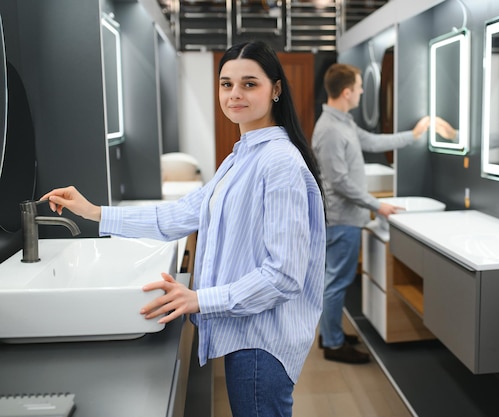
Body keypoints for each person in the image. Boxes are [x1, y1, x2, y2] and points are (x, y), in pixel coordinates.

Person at [41, 41, 325, 417]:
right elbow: (176, 216)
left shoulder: (279, 163)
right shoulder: (242, 156)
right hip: (250, 335)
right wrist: (93, 212)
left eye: (249, 84)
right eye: (226, 84)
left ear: (275, 90)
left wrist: (199, 299)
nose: (235, 94)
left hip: (262, 346)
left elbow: (284, 276)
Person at [312, 63, 429, 364]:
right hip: (341, 219)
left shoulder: (344, 122)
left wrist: (413, 135)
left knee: (335, 279)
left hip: (348, 218)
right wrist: (378, 205)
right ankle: (334, 345)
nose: (363, 91)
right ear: (347, 91)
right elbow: (339, 182)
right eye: (360, 86)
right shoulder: (330, 130)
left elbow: (373, 142)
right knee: (337, 281)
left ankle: (331, 334)